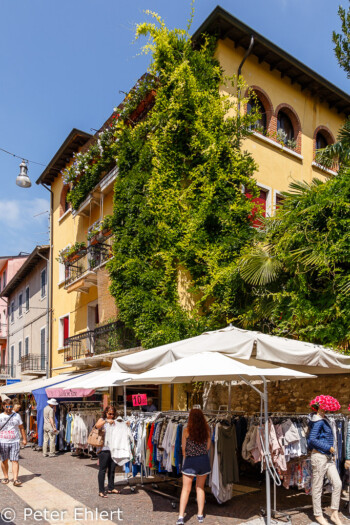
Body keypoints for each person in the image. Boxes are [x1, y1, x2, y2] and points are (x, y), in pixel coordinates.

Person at [308, 395, 343, 525]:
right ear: (318, 408)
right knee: (317, 487)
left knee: (338, 483)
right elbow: (312, 439)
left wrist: (330, 451)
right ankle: (318, 515)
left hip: (327, 458)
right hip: (318, 457)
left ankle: (334, 513)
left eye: (325, 408)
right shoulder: (318, 421)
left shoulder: (324, 419)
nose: (324, 410)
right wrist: (329, 447)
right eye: (322, 408)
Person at [176, 408, 211, 525]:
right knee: (200, 488)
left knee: (186, 489)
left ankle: (181, 517)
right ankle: (200, 515)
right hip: (203, 460)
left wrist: (189, 455)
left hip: (191, 461)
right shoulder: (207, 430)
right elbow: (208, 447)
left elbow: (183, 448)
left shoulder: (186, 431)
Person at [95, 405, 121, 498]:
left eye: (113, 414)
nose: (111, 416)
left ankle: (111, 487)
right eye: (109, 414)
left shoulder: (115, 421)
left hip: (113, 449)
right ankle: (101, 491)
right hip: (104, 449)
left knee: (112, 469)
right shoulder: (102, 420)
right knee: (102, 470)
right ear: (106, 413)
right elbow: (97, 426)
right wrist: (106, 421)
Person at [0, 399, 27, 486]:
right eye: (7, 406)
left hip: (14, 441)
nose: (9, 408)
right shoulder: (0, 416)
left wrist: (24, 439)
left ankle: (15, 479)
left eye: (11, 406)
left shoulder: (17, 416)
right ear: (3, 406)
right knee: (4, 460)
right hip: (3, 441)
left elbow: (21, 427)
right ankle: (6, 476)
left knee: (15, 460)